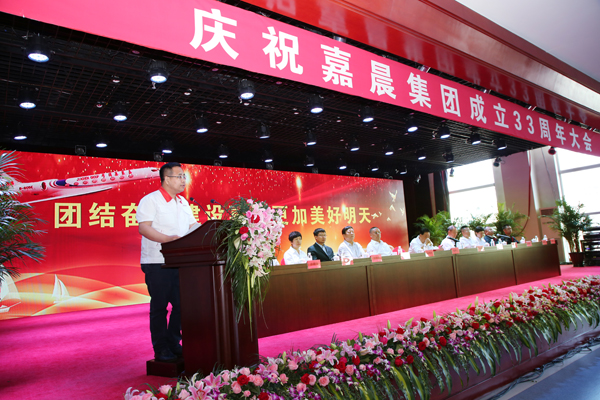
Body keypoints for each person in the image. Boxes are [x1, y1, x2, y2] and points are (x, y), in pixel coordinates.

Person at [137, 162, 199, 362]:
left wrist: (211, 230)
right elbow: (144, 228)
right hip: (157, 262)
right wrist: (168, 240)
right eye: (179, 176)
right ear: (166, 179)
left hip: (180, 262)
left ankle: (173, 342)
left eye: (183, 176)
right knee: (160, 307)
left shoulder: (183, 203)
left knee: (183, 305)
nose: (183, 180)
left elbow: (193, 227)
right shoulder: (151, 200)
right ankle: (161, 348)